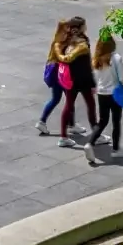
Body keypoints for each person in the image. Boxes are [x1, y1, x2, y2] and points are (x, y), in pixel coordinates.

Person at [54, 17, 99, 148]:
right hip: (82, 79)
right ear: (79, 28)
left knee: (69, 106)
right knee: (90, 105)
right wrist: (92, 82)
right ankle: (96, 133)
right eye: (84, 25)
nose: (86, 27)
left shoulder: (67, 40)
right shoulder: (82, 43)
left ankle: (63, 136)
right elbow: (85, 64)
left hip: (71, 78)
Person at [88, 30, 123, 164]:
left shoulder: (97, 59)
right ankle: (116, 149)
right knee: (116, 121)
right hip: (115, 93)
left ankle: (89, 143)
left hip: (102, 93)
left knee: (103, 120)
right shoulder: (116, 58)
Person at [37, 20, 72, 135]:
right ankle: (71, 124)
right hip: (60, 74)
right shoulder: (60, 42)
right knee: (67, 98)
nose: (69, 30)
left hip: (58, 74)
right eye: (67, 28)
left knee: (59, 99)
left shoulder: (58, 40)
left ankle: (71, 123)